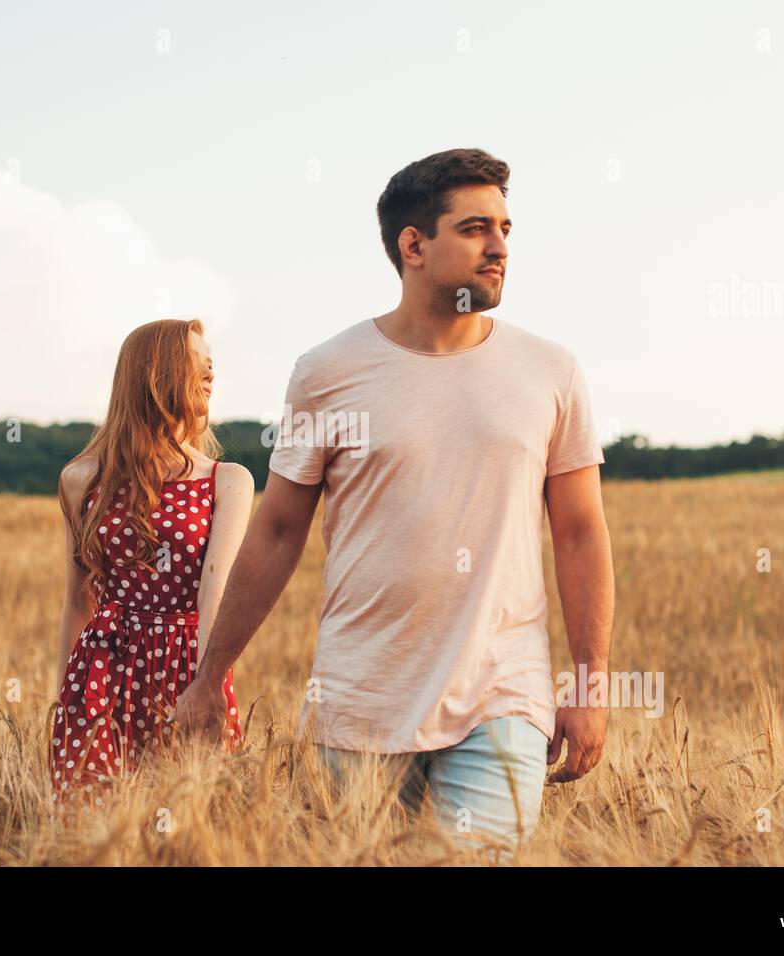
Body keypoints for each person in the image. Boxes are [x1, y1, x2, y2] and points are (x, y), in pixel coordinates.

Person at [171, 148, 615, 857]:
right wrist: (210, 675)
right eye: (475, 229)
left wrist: (590, 685)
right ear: (413, 244)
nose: (499, 247)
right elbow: (280, 528)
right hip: (359, 702)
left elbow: (581, 533)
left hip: (503, 695)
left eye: (505, 228)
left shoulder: (550, 371)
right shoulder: (328, 372)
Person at [50, 318, 253, 811]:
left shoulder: (228, 481)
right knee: (91, 825)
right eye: (198, 367)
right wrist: (63, 706)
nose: (210, 378)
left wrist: (209, 687)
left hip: (187, 667)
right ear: (156, 375)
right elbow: (79, 602)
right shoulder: (80, 479)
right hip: (101, 669)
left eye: (213, 369)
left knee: (197, 822)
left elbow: (216, 591)